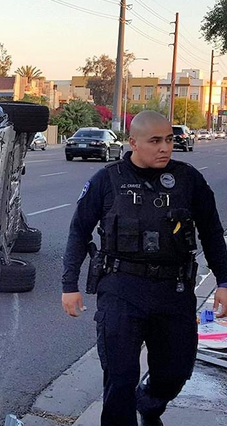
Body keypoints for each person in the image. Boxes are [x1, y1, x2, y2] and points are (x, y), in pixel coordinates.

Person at [61, 110, 227, 426]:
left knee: (175, 371)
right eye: (155, 141)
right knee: (119, 378)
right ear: (134, 143)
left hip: (173, 291)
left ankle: (149, 402)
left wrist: (224, 280)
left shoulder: (188, 180)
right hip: (121, 289)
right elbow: (78, 231)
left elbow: (212, 231)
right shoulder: (106, 181)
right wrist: (69, 285)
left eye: (169, 139)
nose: (165, 147)